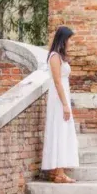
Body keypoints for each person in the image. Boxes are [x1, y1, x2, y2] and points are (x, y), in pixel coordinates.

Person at [41, 26, 79, 184]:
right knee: (60, 130)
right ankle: (59, 173)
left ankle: (58, 171)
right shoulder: (55, 57)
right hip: (58, 99)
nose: (70, 42)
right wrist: (65, 104)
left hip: (62, 96)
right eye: (69, 39)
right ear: (63, 39)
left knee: (62, 131)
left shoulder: (60, 57)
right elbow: (57, 82)